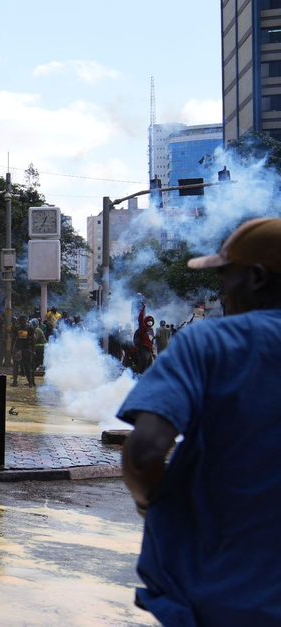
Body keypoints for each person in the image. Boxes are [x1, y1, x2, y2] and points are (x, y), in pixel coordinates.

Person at [118, 217, 281, 626]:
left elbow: (144, 453)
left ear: (257, 279)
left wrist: (154, 508)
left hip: (219, 595)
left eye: (228, 277)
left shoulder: (209, 342)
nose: (223, 290)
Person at [12, 317, 35, 387]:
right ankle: (15, 381)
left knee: (27, 366)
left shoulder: (29, 328)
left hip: (25, 349)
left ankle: (30, 382)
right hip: (18, 349)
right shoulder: (17, 328)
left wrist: (33, 350)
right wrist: (12, 349)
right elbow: (13, 339)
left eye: (23, 320)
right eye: (21, 320)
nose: (23, 322)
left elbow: (32, 339)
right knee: (16, 366)